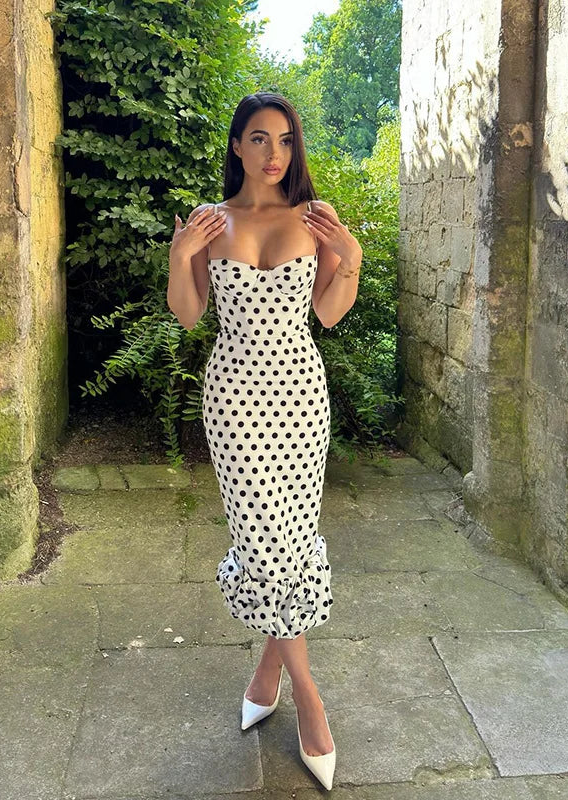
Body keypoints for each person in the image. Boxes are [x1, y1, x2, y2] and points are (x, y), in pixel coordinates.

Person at [167, 91, 361, 790]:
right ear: (237, 146)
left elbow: (330, 314)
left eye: (284, 140)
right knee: (264, 541)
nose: (274, 154)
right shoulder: (209, 223)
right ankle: (310, 701)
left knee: (291, 536)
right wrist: (178, 255)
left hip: (301, 401)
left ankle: (268, 667)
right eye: (259, 138)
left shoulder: (314, 219)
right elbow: (190, 316)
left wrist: (351, 256)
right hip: (236, 401)